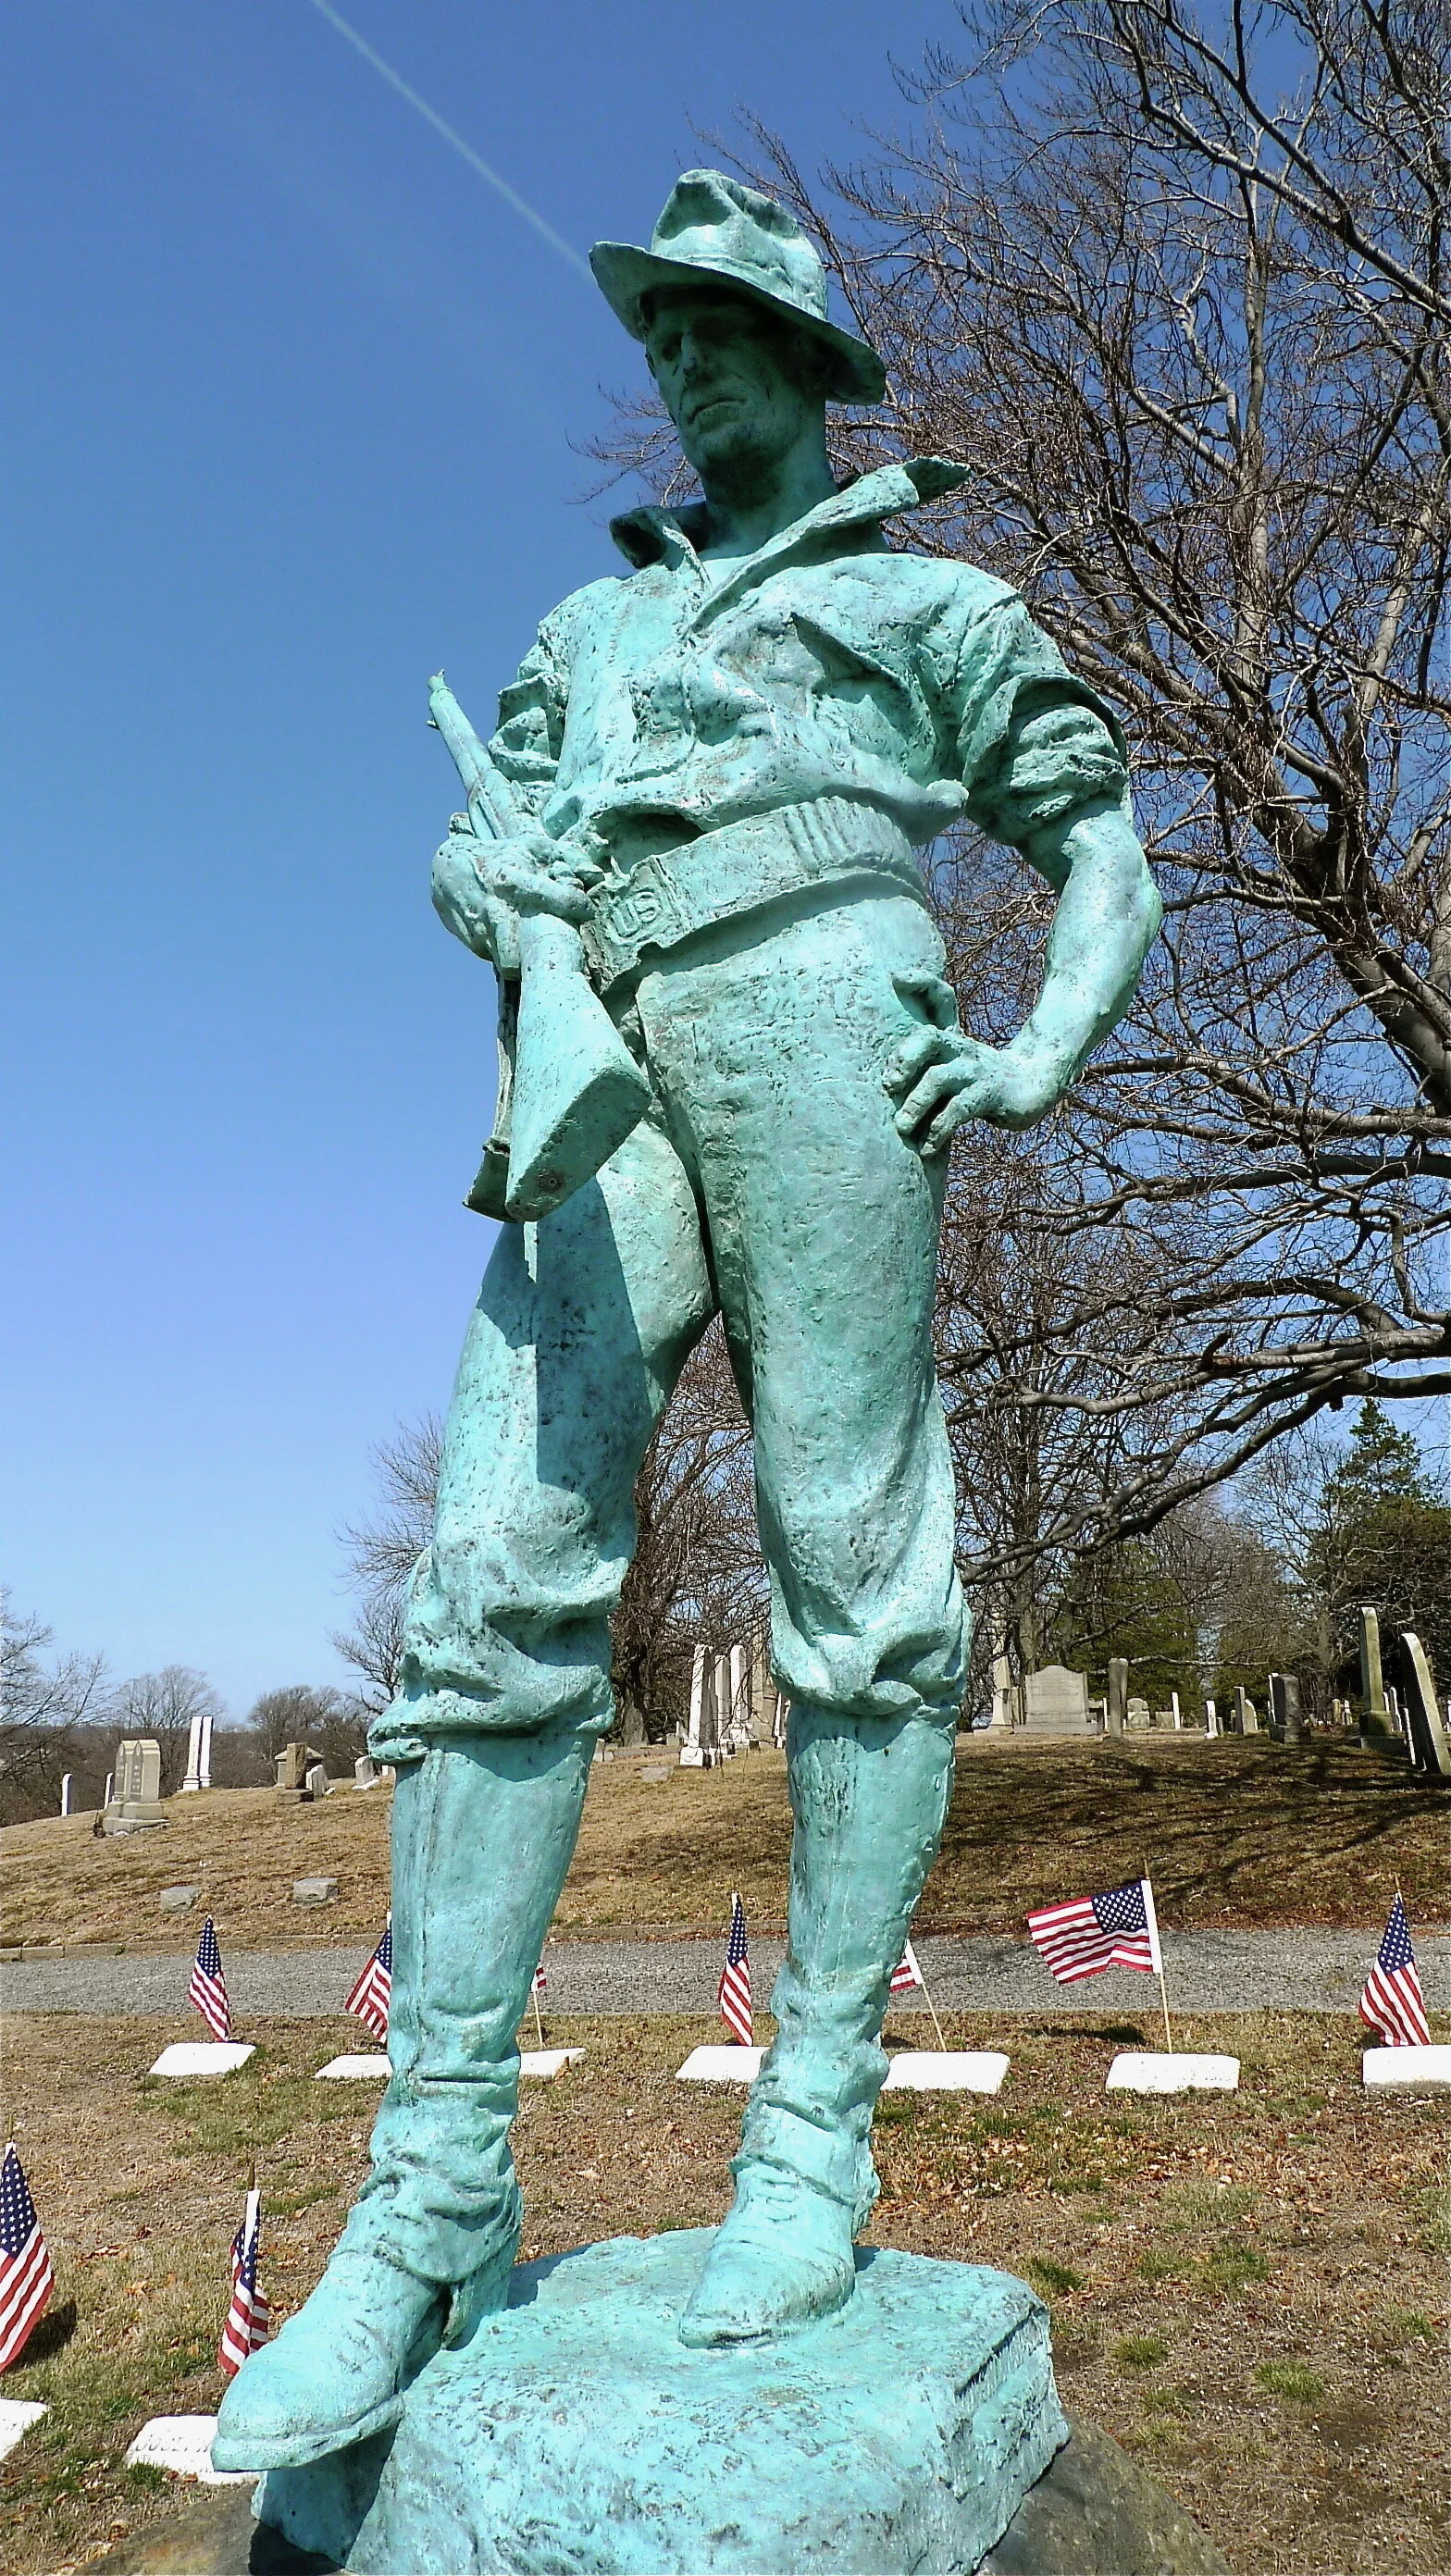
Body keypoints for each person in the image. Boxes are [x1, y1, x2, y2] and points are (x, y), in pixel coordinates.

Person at [216, 170, 1159, 2471]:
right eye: (659, 328)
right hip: (606, 1059)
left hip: (842, 1018)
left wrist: (1036, 1048)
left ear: (818, 365)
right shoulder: (581, 629)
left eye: (730, 324)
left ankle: (810, 2133)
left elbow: (1099, 835)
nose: (685, 357)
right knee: (493, 1587)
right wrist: (486, 884)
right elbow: (490, 844)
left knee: (855, 1577)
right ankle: (436, 2190)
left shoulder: (939, 598)